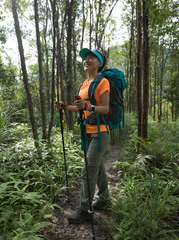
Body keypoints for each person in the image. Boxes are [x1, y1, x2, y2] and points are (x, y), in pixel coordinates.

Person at [55, 48, 111, 224]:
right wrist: (65, 107)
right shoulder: (85, 84)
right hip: (87, 132)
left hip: (101, 132)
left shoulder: (103, 82)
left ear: (99, 63)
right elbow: (81, 107)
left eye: (91, 58)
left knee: (87, 170)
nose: (87, 60)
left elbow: (106, 109)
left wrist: (88, 108)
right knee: (98, 167)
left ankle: (85, 209)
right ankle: (104, 199)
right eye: (85, 58)